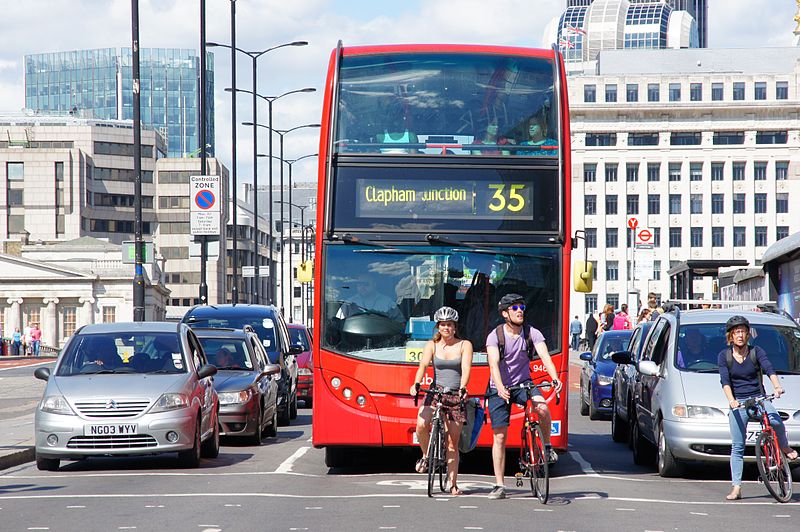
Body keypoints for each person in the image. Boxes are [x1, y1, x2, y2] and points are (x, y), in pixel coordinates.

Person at [485, 294, 563, 500]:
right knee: (500, 436)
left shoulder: (532, 333)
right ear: (505, 313)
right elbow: (493, 365)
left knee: (543, 408)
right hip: (499, 385)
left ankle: (546, 447)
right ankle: (500, 485)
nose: (520, 310)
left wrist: (555, 378)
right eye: (515, 308)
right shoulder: (495, 335)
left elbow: (545, 356)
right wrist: (500, 388)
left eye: (522, 306)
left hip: (524, 383)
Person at [718, 315, 797, 501]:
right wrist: (732, 401)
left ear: (748, 335)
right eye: (736, 332)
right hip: (740, 402)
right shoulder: (725, 356)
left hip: (759, 398)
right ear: (730, 336)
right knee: (737, 447)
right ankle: (736, 487)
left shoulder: (756, 351)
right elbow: (725, 381)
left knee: (776, 420)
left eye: (743, 332)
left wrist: (777, 387)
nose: (740, 336)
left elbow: (769, 369)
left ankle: (783, 447)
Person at [409, 306, 473, 496]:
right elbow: (423, 365)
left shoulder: (464, 345)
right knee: (421, 424)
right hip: (435, 392)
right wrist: (416, 383)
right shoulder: (431, 345)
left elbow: (467, 368)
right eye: (443, 325)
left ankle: (453, 484)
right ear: (438, 327)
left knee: (452, 443)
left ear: (455, 327)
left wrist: (462, 388)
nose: (446, 328)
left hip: (454, 393)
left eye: (450, 325)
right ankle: (428, 456)